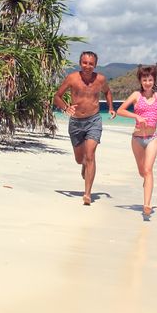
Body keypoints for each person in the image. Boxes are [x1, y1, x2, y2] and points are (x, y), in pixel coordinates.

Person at [115, 65, 157, 217]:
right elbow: (120, 110)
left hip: (152, 138)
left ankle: (147, 205)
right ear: (140, 80)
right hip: (137, 139)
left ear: (154, 80)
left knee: (148, 170)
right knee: (142, 172)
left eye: (150, 80)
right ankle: (146, 187)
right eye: (144, 80)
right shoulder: (136, 95)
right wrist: (136, 116)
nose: (147, 82)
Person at [53, 51, 116, 205]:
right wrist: (65, 108)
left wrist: (111, 108)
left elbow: (107, 92)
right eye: (85, 63)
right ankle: (83, 165)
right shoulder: (72, 78)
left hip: (94, 120)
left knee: (90, 155)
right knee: (79, 159)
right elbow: (57, 96)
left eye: (91, 63)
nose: (88, 66)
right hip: (76, 122)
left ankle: (87, 194)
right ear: (80, 63)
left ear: (95, 65)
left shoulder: (100, 79)